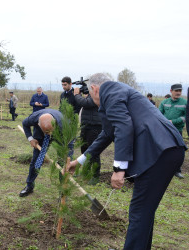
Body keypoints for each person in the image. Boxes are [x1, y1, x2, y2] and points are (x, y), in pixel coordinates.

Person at [65, 73, 186, 250]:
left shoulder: (110, 92)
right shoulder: (116, 92)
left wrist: (119, 169)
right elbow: (107, 134)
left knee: (139, 211)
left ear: (94, 88)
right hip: (164, 151)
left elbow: (123, 126)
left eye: (90, 95)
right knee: (144, 211)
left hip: (160, 151)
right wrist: (80, 160)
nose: (91, 98)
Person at [20, 109, 63, 197]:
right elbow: (24, 124)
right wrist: (30, 139)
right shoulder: (34, 118)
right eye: (46, 132)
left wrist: (67, 157)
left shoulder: (63, 123)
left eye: (50, 131)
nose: (49, 134)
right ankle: (29, 186)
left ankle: (63, 191)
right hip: (40, 137)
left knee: (63, 162)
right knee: (36, 161)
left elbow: (69, 144)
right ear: (38, 124)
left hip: (60, 136)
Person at [74, 87, 102, 185]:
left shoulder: (98, 95)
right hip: (86, 126)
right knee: (84, 149)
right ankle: (85, 172)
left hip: (95, 127)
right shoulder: (91, 95)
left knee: (93, 152)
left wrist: (77, 94)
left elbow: (85, 103)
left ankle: (95, 176)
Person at [159, 83, 187, 179]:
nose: (178, 93)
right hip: (165, 129)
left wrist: (174, 121)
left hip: (177, 130)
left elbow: (186, 117)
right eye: (176, 91)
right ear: (171, 91)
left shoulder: (184, 103)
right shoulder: (164, 102)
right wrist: (165, 122)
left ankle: (177, 171)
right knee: (164, 148)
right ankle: (162, 168)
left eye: (180, 91)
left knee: (178, 150)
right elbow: (158, 114)